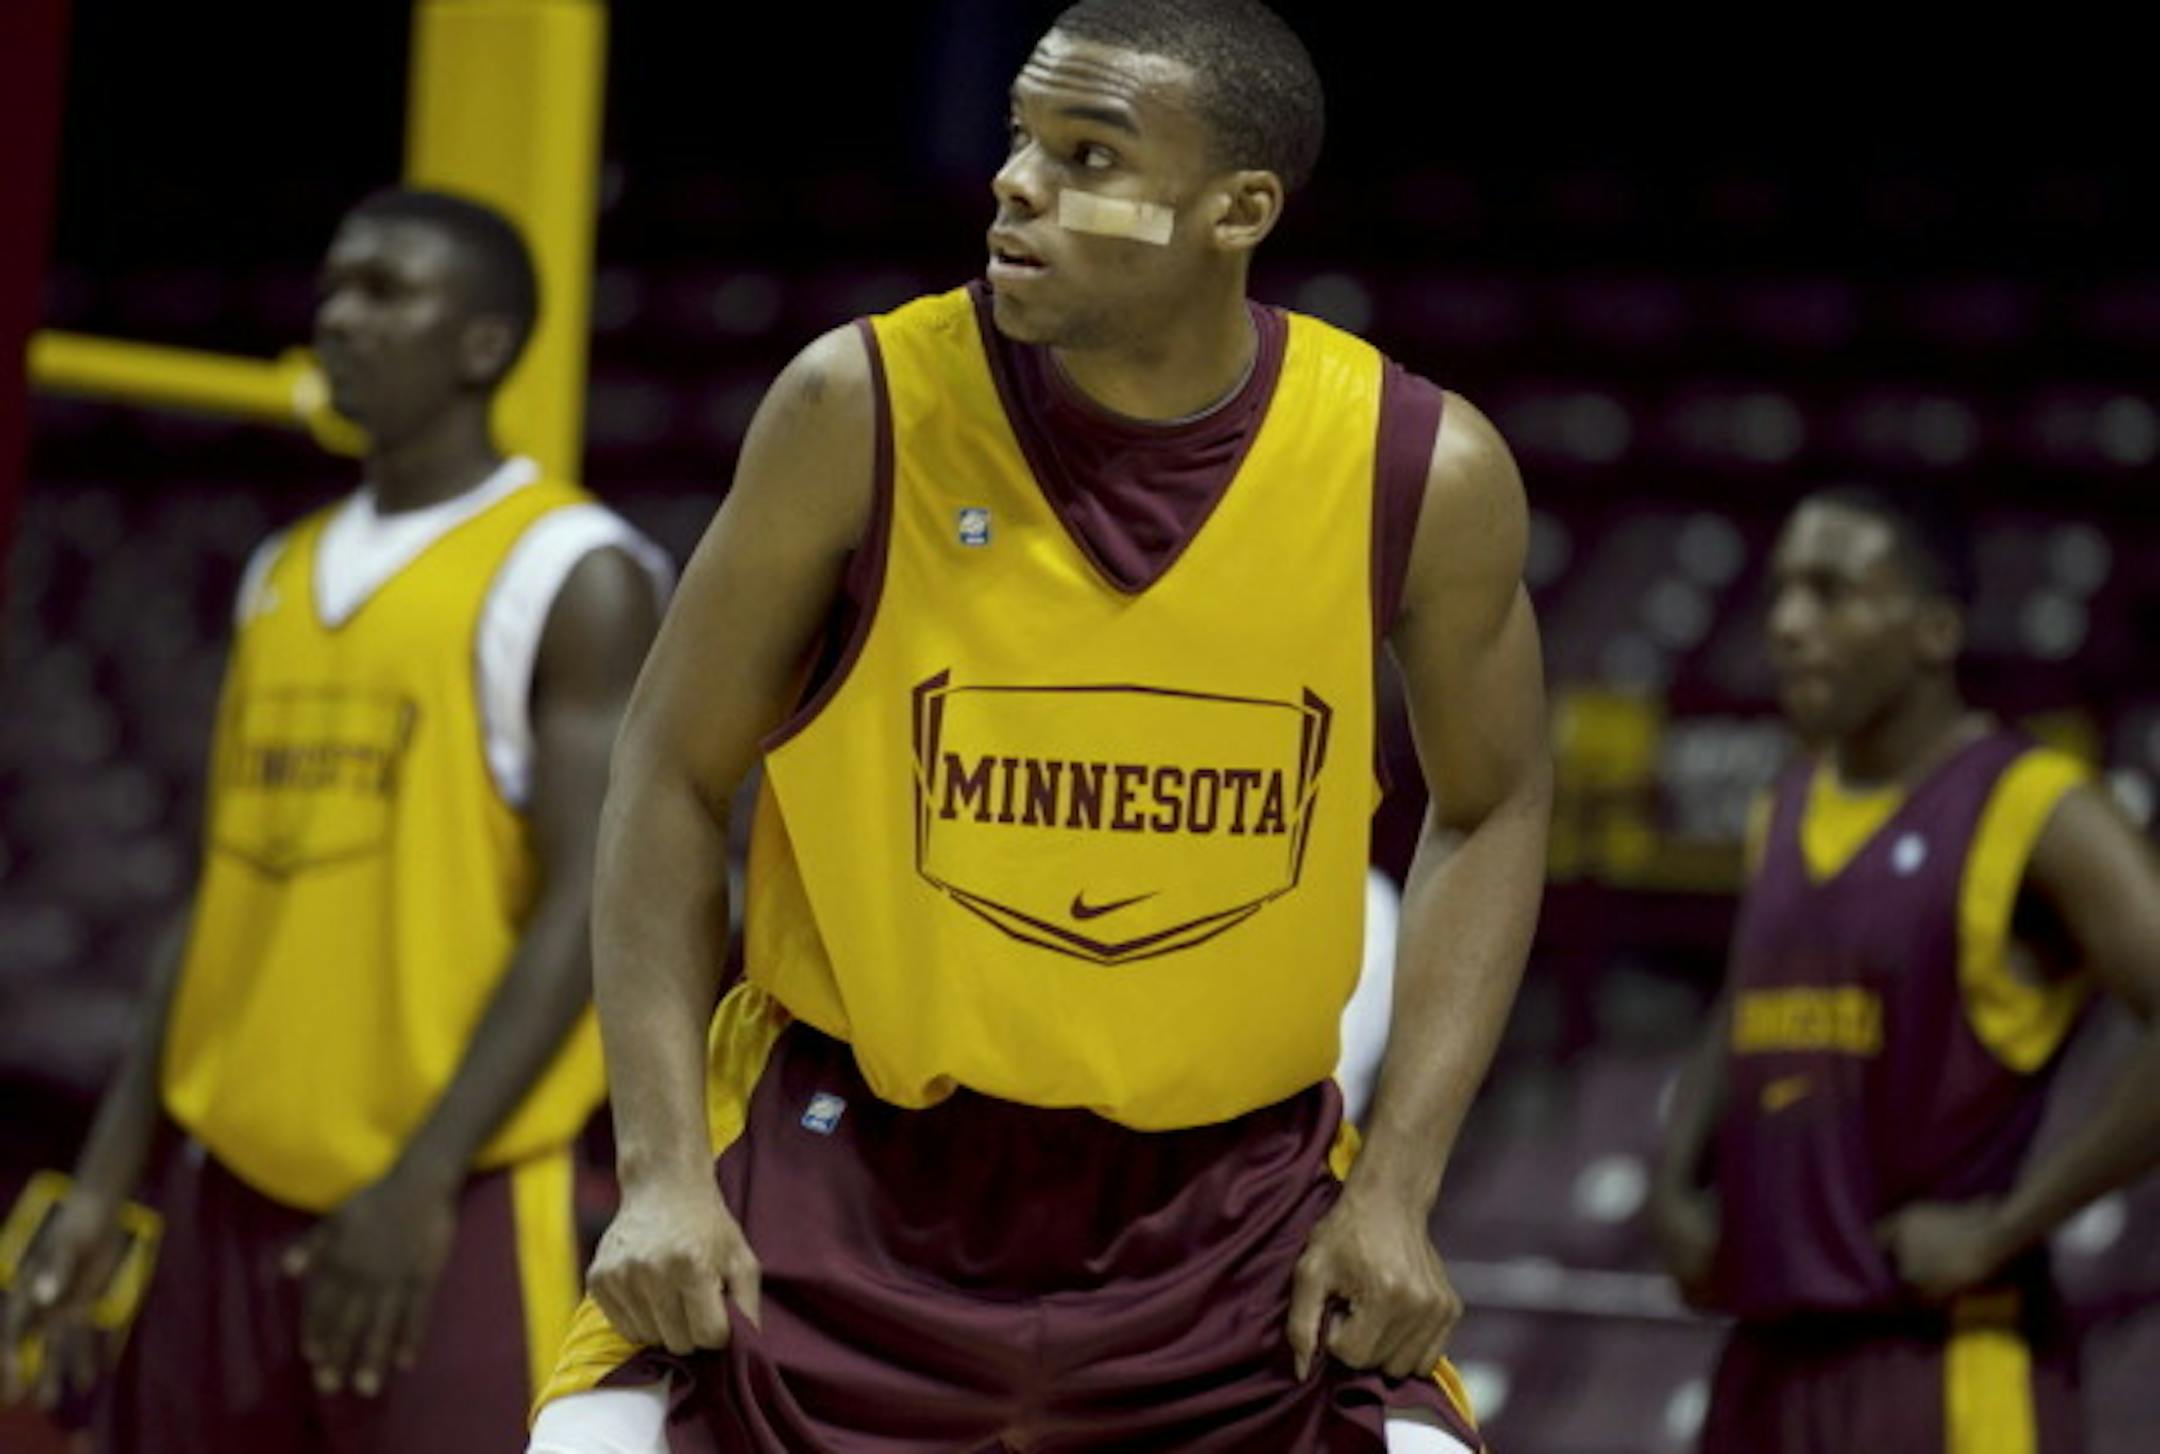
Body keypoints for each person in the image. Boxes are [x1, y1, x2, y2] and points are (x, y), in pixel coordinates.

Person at [532, 1, 1551, 1449]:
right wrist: (658, 1171)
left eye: (1088, 154)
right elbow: (673, 769)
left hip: (1232, 1213)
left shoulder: (1418, 467)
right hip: (838, 1174)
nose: (1015, 181)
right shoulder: (858, 403)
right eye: (1022, 137)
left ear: (1236, 210)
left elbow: (1496, 800)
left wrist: (1395, 1193)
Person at [0, 187, 668, 1453]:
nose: (339, 321)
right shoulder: (279, 571)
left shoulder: (571, 571)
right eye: (331, 291)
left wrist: (420, 1177)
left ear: (483, 342)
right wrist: (104, 1179)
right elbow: (217, 897)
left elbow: (591, 904)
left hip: (443, 1196)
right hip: (226, 1187)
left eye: (384, 292)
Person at [1651, 488, 2160, 1453]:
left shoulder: (2035, 805)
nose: (1789, 625)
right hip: (1764, 1358)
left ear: (1934, 630)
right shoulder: (1787, 802)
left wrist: (2005, 1228)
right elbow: (1746, 998)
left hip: (1941, 1360)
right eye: (1781, 595)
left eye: (1833, 593)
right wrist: (1673, 1183)